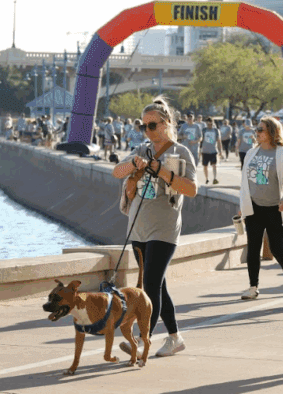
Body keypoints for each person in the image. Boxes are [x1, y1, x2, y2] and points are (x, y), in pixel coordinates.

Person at [113, 96, 198, 357]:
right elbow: (117, 171)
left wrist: (163, 172)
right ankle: (175, 337)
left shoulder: (180, 153)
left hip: (164, 228)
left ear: (167, 123)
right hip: (138, 227)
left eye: (153, 125)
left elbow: (192, 190)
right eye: (144, 126)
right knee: (157, 285)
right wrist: (134, 164)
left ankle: (141, 340)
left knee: (150, 285)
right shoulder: (140, 149)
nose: (148, 131)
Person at [237, 116, 283, 300]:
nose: (257, 132)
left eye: (261, 129)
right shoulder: (251, 153)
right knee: (253, 249)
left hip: (274, 208)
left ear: (271, 132)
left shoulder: (282, 153)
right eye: (257, 129)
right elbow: (245, 183)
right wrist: (242, 207)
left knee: (277, 248)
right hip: (254, 208)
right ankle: (253, 287)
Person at [201, 117, 223, 185]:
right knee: (205, 166)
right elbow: (201, 140)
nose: (209, 125)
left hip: (213, 150)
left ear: (213, 123)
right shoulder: (204, 130)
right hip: (205, 151)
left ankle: (215, 178)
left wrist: (220, 151)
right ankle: (207, 178)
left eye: (210, 123)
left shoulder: (216, 130)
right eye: (208, 124)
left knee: (214, 165)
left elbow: (219, 141)